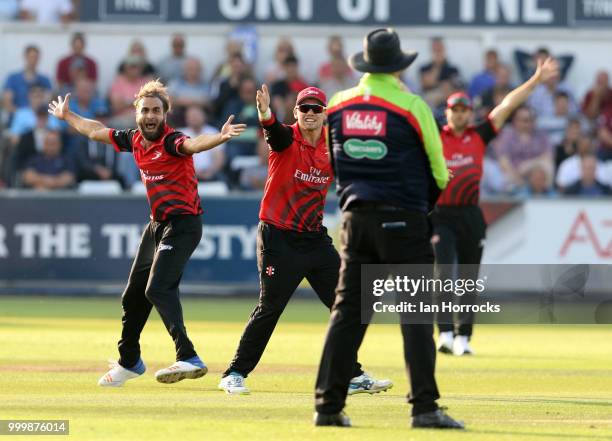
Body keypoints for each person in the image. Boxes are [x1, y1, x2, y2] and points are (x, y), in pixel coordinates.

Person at [48, 80, 246, 387]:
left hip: (184, 224)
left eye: (156, 110)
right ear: (136, 113)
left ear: (165, 114)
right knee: (132, 296)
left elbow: (192, 144)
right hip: (157, 225)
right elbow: (94, 130)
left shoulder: (171, 141)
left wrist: (219, 138)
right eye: (145, 110)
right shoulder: (134, 139)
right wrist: (68, 115)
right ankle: (129, 362)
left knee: (158, 289)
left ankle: (188, 356)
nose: (150, 116)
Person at [313, 28, 461, 429]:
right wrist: (421, 208)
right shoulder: (411, 105)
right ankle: (424, 409)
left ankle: (327, 407)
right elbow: (440, 172)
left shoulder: (338, 105)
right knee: (415, 319)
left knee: (347, 315)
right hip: (405, 222)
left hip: (355, 220)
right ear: (398, 66)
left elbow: (334, 160)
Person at [218, 85, 392, 396]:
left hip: (314, 239)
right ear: (296, 112)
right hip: (279, 237)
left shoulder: (332, 147)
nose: (310, 114)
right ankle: (234, 372)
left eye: (316, 109)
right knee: (270, 307)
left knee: (349, 303)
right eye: (304, 108)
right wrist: (264, 112)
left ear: (325, 114)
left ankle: (350, 374)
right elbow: (271, 128)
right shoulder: (286, 138)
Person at [433, 57, 559, 356]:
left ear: (470, 112)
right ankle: (445, 334)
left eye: (464, 110)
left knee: (467, 277)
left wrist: (535, 80)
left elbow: (507, 106)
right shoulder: (436, 136)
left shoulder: (479, 134)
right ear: (448, 112)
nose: (460, 114)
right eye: (455, 110)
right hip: (441, 215)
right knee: (441, 272)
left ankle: (464, 337)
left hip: (470, 214)